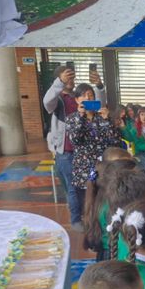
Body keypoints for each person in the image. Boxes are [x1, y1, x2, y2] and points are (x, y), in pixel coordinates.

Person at [43, 64, 84, 231]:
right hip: (66, 150)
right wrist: (60, 82)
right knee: (73, 186)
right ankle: (76, 219)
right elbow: (47, 102)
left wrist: (99, 87)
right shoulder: (57, 98)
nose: (70, 80)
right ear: (59, 79)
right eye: (67, 77)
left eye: (72, 77)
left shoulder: (79, 97)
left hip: (84, 149)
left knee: (88, 185)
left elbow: (98, 105)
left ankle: (87, 214)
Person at [67, 96, 121, 216]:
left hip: (102, 167)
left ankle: (103, 225)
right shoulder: (72, 118)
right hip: (83, 170)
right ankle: (88, 225)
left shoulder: (102, 118)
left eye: (90, 95)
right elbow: (74, 140)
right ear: (77, 100)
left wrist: (108, 121)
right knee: (86, 206)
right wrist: (81, 116)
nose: (88, 98)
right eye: (84, 95)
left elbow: (114, 142)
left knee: (104, 203)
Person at [82, 151, 137, 259]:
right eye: (134, 176)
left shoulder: (103, 195)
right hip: (112, 252)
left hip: (109, 250)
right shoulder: (114, 203)